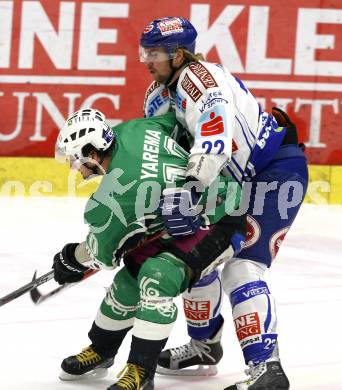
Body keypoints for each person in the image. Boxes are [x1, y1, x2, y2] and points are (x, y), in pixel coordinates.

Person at [139, 16, 308, 390]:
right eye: (144, 52)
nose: (147, 61)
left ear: (178, 54)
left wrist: (187, 192)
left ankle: (268, 370)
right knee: (191, 256)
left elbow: (213, 142)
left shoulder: (202, 80)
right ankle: (204, 346)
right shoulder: (157, 96)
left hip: (273, 173)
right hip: (228, 184)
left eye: (155, 53)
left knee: (242, 268)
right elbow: (158, 154)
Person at [52, 108, 246, 390]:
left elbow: (100, 254)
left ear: (92, 153)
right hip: (182, 214)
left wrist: (71, 259)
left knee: (157, 278)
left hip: (220, 217)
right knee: (127, 280)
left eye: (76, 160)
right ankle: (102, 349)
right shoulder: (134, 129)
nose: (75, 168)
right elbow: (181, 124)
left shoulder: (114, 199)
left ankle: (141, 372)